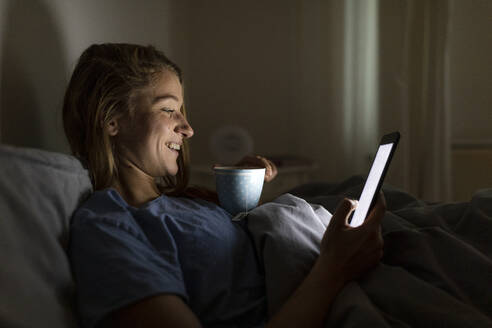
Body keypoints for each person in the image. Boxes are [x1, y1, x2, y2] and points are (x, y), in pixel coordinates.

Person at [64, 43, 385, 328]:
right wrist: (334, 268)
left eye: (182, 111)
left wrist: (242, 187)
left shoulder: (184, 201)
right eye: (168, 109)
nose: (188, 129)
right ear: (111, 120)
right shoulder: (108, 226)